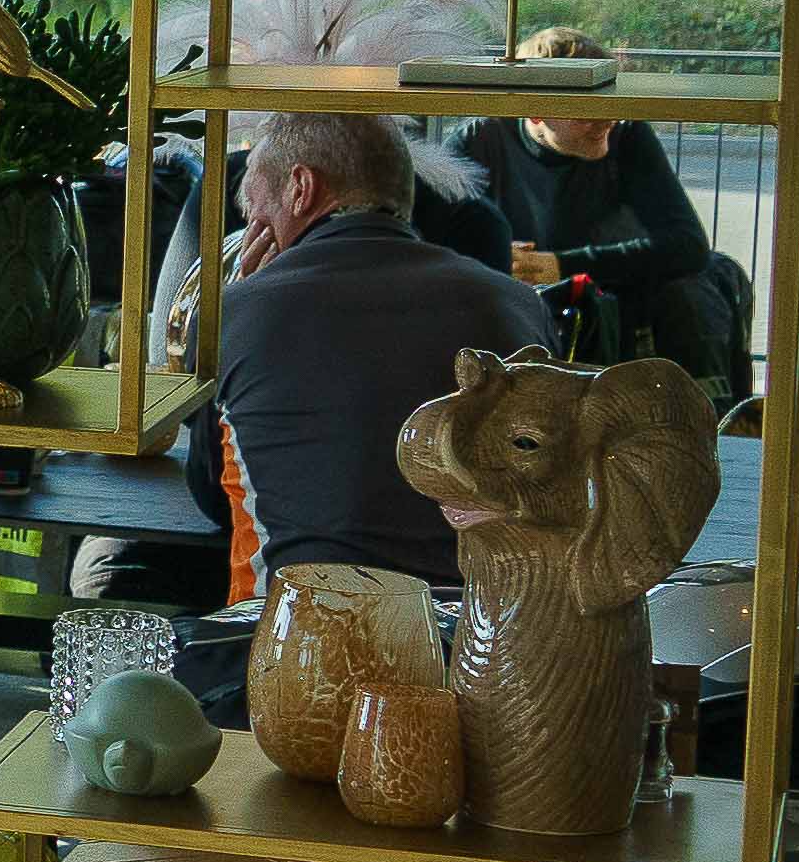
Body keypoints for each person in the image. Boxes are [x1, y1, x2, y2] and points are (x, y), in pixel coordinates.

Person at [189, 112, 553, 591]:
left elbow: (213, 495)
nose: (254, 226)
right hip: (479, 624)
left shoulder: (234, 312)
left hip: (303, 623)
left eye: (255, 208)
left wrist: (241, 304)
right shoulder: (518, 304)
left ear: (301, 188)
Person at [458, 27, 737, 386]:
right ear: (535, 113)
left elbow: (688, 245)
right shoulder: (477, 141)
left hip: (621, 327)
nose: (607, 120)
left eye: (611, 104)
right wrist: (496, 258)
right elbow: (433, 240)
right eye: (585, 113)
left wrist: (559, 266)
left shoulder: (628, 136)